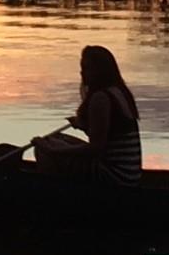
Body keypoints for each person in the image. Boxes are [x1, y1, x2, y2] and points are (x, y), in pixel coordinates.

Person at [32, 44, 143, 184]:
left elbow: (96, 148)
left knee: (44, 149)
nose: (82, 73)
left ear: (99, 71)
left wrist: (53, 150)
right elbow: (109, 138)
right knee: (55, 138)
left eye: (86, 68)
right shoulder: (119, 91)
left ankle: (54, 190)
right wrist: (82, 126)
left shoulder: (101, 98)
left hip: (115, 175)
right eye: (82, 68)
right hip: (130, 173)